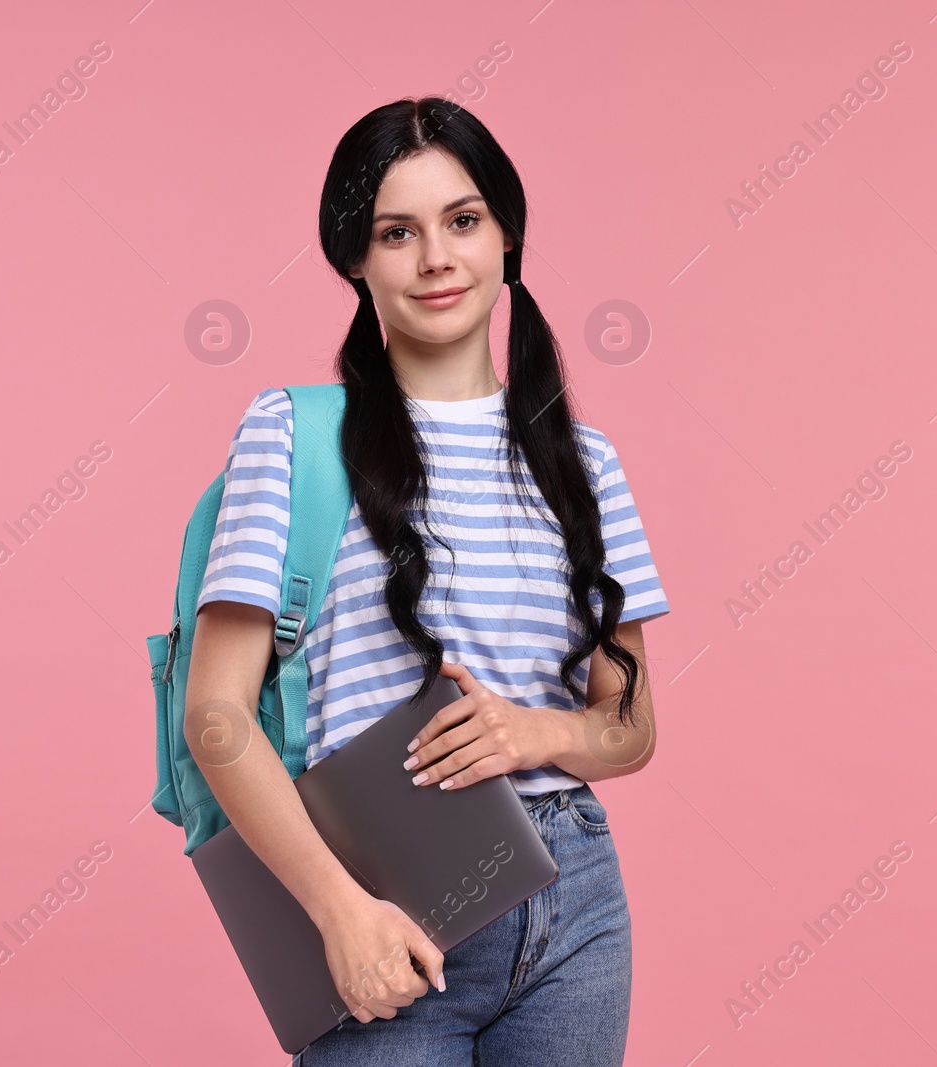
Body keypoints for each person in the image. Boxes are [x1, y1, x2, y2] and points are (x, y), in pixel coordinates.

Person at [184, 96, 671, 1067]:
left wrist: (542, 732)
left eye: (462, 220)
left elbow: (633, 725)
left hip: (575, 892)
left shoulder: (586, 462)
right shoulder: (292, 434)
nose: (436, 258)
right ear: (354, 261)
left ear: (506, 239)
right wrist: (338, 910)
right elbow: (215, 713)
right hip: (385, 893)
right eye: (394, 233)